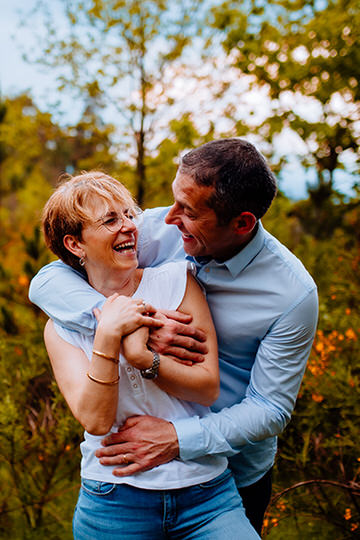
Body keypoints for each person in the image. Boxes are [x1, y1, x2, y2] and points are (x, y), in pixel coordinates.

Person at [29, 139, 318, 536]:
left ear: (242, 223)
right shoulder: (156, 230)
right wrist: (126, 326)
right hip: (125, 484)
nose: (167, 218)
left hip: (230, 472)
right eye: (174, 200)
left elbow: (270, 407)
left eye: (189, 211)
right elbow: (48, 278)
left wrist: (177, 438)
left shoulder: (291, 294)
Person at [38, 171, 260, 539]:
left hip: (206, 493)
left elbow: (206, 388)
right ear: (75, 245)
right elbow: (95, 420)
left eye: (128, 214)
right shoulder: (59, 327)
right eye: (110, 220)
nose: (128, 227)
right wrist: (109, 337)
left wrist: (143, 358)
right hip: (113, 499)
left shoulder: (176, 281)